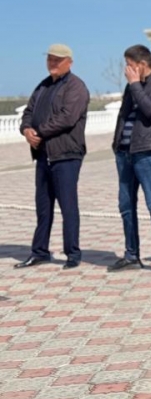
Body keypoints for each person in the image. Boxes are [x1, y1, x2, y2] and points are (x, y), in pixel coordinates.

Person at [16, 44, 90, 270]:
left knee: (68, 206)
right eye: (50, 59)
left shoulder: (76, 86)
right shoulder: (43, 85)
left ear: (69, 62)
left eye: (57, 59)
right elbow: (28, 112)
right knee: (43, 206)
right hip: (43, 155)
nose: (52, 63)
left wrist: (39, 132)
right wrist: (26, 130)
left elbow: (67, 118)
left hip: (66, 155)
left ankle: (72, 254)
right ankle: (40, 252)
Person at [108, 44, 151, 277]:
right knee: (126, 206)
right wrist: (117, 143)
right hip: (124, 153)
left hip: (147, 152)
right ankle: (131, 255)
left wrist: (135, 84)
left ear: (142, 64)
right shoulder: (131, 86)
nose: (126, 69)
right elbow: (124, 115)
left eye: (129, 64)